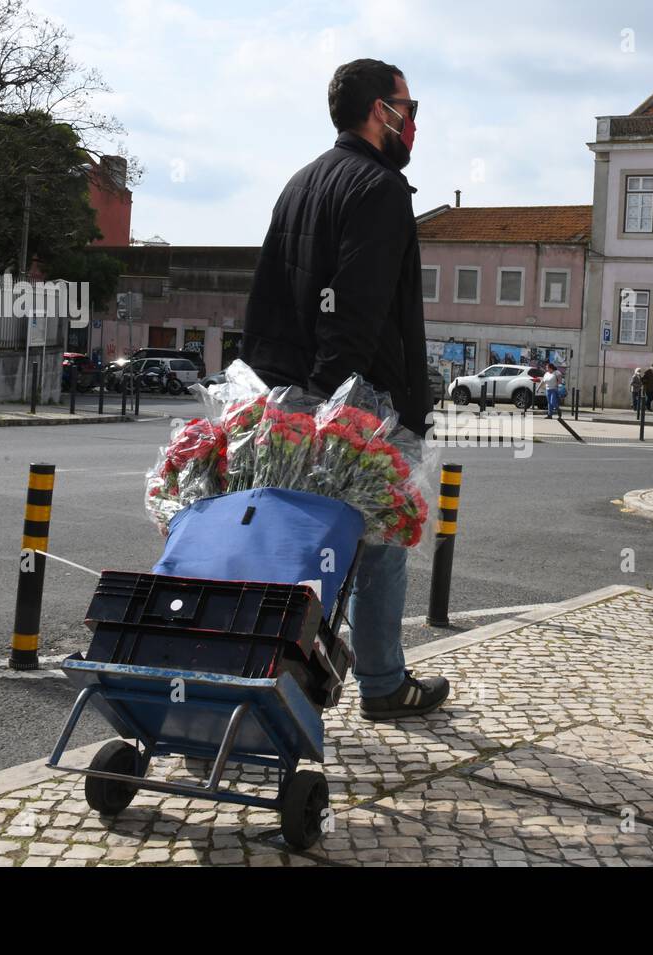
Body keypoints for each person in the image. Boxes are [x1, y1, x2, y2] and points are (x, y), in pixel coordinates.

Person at [242, 59, 448, 722]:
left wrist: (278, 398)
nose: (414, 118)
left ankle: (257, 671)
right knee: (382, 543)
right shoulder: (380, 189)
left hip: (285, 398)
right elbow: (353, 314)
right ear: (379, 112)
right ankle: (382, 684)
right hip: (362, 408)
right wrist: (339, 413)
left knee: (292, 548)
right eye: (407, 104)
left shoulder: (300, 183)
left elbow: (268, 301)